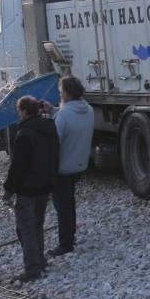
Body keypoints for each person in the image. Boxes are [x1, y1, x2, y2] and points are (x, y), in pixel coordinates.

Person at [2, 96, 59, 283]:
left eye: (20, 111)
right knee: (37, 225)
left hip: (27, 189)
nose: (20, 114)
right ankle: (40, 261)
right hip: (44, 186)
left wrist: (8, 191)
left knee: (25, 229)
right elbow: (55, 156)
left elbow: (17, 167)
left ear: (25, 112)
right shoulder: (50, 128)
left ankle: (32, 269)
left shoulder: (25, 134)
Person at [41, 76, 95, 256]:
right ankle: (70, 236)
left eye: (60, 91)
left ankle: (65, 244)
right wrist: (54, 110)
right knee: (69, 203)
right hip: (79, 165)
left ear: (65, 92)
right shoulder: (88, 110)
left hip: (62, 168)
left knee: (62, 207)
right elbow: (71, 119)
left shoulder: (64, 115)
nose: (60, 94)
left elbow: (54, 141)